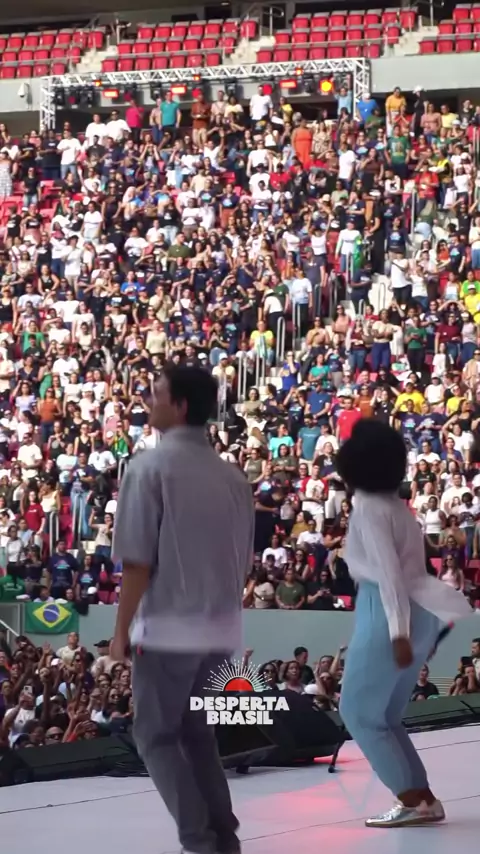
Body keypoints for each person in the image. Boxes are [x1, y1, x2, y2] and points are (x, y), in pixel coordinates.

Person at [111, 364, 254, 854]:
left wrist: (120, 631)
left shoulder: (148, 468)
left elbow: (137, 562)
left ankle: (200, 841)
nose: (149, 402)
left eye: (157, 394)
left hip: (169, 628)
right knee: (198, 736)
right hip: (221, 628)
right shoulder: (234, 478)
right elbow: (244, 560)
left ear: (180, 406)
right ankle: (224, 839)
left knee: (155, 736)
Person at [336, 419, 471, 828]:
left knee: (358, 712)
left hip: (387, 610)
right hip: (421, 609)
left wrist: (398, 633)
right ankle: (422, 798)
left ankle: (412, 799)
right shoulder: (398, 506)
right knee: (386, 716)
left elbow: (388, 575)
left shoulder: (368, 507)